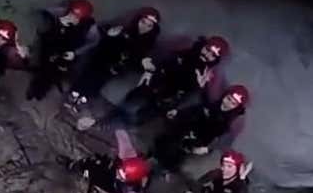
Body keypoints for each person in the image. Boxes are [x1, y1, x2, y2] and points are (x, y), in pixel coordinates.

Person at [87, 35, 228, 131]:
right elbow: (162, 58)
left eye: (212, 55)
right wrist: (149, 70)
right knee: (127, 105)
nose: (207, 55)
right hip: (152, 85)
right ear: (203, 46)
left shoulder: (206, 75)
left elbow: (202, 101)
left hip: (165, 100)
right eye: (207, 50)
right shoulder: (185, 53)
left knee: (136, 119)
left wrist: (200, 87)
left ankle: (115, 128)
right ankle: (103, 122)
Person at [64, 7, 161, 110]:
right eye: (143, 22)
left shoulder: (148, 43)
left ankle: (82, 100)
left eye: (149, 26)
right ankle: (72, 95)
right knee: (87, 77)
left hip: (115, 68)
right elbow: (104, 44)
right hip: (101, 60)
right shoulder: (124, 30)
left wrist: (144, 64)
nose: (144, 27)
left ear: (153, 28)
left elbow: (141, 59)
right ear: (138, 20)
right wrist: (109, 36)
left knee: (97, 84)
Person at [151, 84, 248, 172]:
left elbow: (224, 139)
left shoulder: (233, 122)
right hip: (193, 125)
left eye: (233, 103)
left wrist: (207, 148)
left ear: (237, 107)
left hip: (204, 139)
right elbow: (196, 107)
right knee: (167, 136)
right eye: (228, 98)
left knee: (178, 151)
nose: (227, 103)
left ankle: (166, 166)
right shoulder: (214, 101)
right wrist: (178, 112)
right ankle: (154, 153)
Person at [26, 0, 98, 101]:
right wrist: (58, 21)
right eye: (71, 14)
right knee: (43, 69)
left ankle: (41, 92)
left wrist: (75, 53)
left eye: (76, 17)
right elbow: (44, 12)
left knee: (54, 74)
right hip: (53, 45)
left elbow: (93, 42)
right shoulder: (62, 12)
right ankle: (34, 89)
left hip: (68, 52)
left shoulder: (90, 27)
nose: (72, 18)